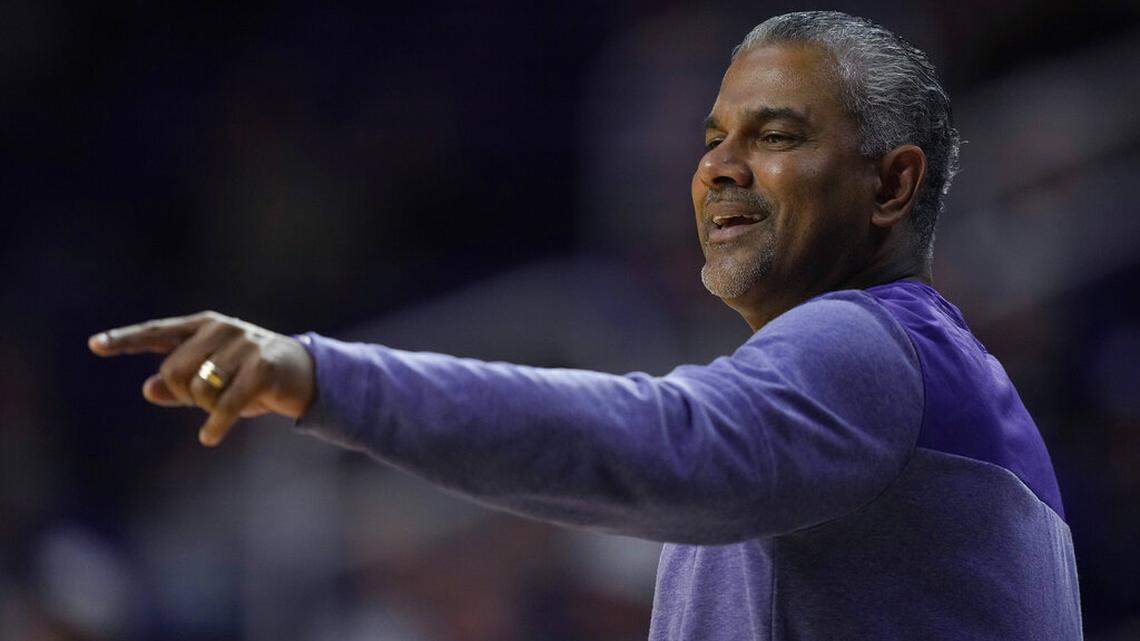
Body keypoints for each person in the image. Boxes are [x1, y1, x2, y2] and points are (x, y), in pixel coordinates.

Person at [88, 11, 1082, 641]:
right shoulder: (857, 396)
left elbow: (656, 443)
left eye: (776, 136)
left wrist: (316, 374)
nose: (719, 170)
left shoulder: (874, 348)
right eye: (713, 139)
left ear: (892, 183)